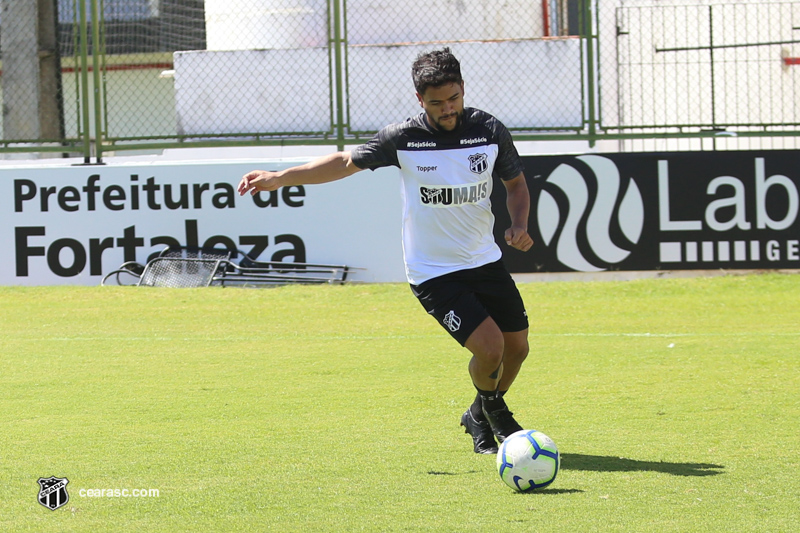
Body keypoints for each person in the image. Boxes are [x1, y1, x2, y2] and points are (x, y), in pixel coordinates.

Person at [238, 48, 533, 455]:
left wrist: (519, 225)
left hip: (484, 259)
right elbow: (343, 161)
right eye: (436, 103)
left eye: (453, 99)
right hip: (433, 271)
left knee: (517, 349)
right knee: (490, 348)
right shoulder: (403, 137)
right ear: (419, 100)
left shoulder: (488, 130)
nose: (447, 109)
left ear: (463, 89)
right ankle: (497, 412)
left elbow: (516, 184)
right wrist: (280, 178)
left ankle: (477, 414)